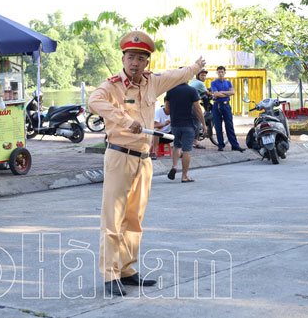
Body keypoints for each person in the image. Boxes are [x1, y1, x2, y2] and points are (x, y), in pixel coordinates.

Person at [88, 30, 206, 296]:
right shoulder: (111, 86)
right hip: (119, 156)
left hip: (143, 160)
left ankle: (127, 269)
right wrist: (124, 119)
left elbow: (178, 75)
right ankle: (110, 274)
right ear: (123, 58)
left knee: (134, 219)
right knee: (113, 218)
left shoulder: (152, 82)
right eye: (131, 57)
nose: (135, 63)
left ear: (146, 62)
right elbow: (94, 101)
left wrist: (195, 67)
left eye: (141, 59)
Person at [164, 80, 202, 183]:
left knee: (177, 146)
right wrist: (203, 123)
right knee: (187, 150)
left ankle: (175, 166)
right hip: (188, 124)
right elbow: (198, 109)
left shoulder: (170, 91)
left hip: (175, 124)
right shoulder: (192, 90)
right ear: (187, 79)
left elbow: (167, 110)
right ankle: (184, 176)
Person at [210, 66, 244, 152]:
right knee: (218, 126)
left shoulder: (228, 82)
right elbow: (216, 94)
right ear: (217, 73)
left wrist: (221, 92)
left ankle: (235, 145)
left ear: (225, 73)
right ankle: (220, 145)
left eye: (222, 72)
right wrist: (226, 93)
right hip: (217, 105)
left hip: (226, 105)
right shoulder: (213, 83)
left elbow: (233, 92)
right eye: (219, 72)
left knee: (229, 125)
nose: (220, 74)